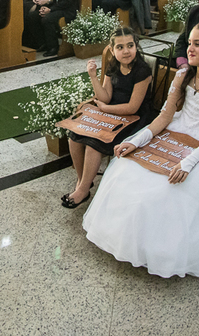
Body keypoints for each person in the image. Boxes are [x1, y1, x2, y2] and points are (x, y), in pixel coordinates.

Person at [83, 21, 199, 278]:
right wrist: (135, 141)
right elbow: (164, 117)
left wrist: (188, 162)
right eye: (190, 43)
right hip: (179, 126)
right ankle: (131, 240)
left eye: (197, 44)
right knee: (128, 168)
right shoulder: (182, 74)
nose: (189, 49)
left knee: (172, 187)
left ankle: (163, 251)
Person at [61, 28, 153, 208]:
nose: (126, 51)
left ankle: (82, 189)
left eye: (130, 46)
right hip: (111, 113)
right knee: (75, 138)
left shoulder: (142, 71)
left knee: (94, 145)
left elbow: (133, 107)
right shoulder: (113, 65)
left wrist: (106, 109)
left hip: (135, 118)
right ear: (112, 50)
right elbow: (105, 97)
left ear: (136, 46)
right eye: (120, 47)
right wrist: (94, 77)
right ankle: (83, 183)